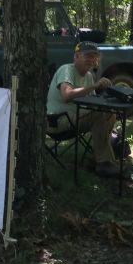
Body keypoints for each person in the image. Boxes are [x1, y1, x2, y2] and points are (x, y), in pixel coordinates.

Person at [46, 41, 120, 177]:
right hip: (57, 121)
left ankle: (96, 158)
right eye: (88, 56)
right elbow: (67, 95)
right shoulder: (66, 69)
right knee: (100, 114)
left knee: (110, 113)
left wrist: (107, 95)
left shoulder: (89, 76)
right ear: (76, 56)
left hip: (76, 118)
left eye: (94, 56)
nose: (92, 60)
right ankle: (104, 163)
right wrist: (95, 86)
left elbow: (91, 103)